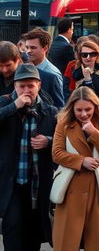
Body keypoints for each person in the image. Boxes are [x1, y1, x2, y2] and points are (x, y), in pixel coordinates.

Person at [0, 63, 57, 251]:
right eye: (21, 86)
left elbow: (63, 140)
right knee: (13, 228)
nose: (26, 90)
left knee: (34, 233)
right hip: (11, 181)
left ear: (38, 86)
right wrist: (13, 106)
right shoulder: (4, 103)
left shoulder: (49, 111)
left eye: (30, 86)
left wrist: (48, 141)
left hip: (37, 182)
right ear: (15, 86)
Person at [51, 85, 99, 251]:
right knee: (67, 242)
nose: (84, 114)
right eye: (79, 110)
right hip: (70, 188)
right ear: (72, 108)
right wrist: (81, 161)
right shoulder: (63, 123)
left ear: (95, 106)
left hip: (97, 188)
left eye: (88, 109)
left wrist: (93, 132)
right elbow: (57, 153)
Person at [24, 28, 65, 107]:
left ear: (45, 48)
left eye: (33, 47)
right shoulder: (24, 67)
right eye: (27, 47)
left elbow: (59, 107)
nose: (28, 51)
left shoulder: (52, 74)